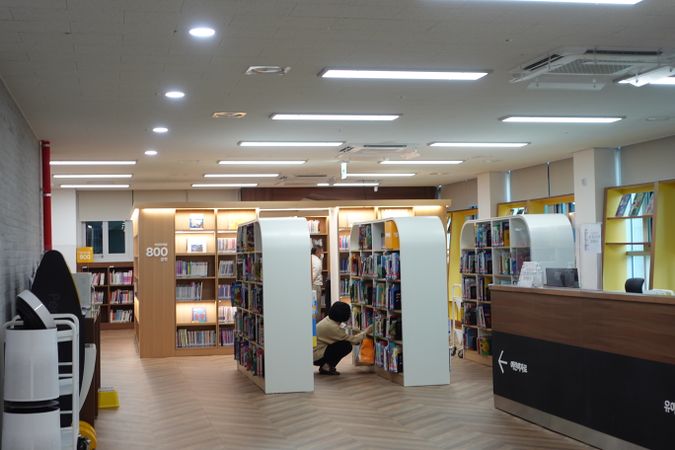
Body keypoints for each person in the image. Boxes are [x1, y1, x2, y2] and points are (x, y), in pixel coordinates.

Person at [313, 301, 372, 375]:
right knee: (346, 346)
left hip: (316, 351)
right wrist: (366, 331)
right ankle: (326, 366)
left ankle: (326, 366)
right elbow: (354, 340)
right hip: (316, 356)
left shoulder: (328, 319)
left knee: (343, 343)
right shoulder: (333, 328)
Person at [311, 246, 324, 321]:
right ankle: (316, 324)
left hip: (313, 284)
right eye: (321, 251)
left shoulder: (311, 258)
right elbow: (315, 273)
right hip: (315, 285)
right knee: (316, 306)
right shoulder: (316, 261)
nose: (322, 253)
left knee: (313, 306)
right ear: (317, 251)